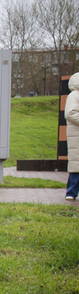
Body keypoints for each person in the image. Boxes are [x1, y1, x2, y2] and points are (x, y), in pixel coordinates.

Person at [64, 72, 79, 200]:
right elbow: (70, 113)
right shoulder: (74, 95)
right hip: (76, 135)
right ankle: (71, 192)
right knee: (76, 163)